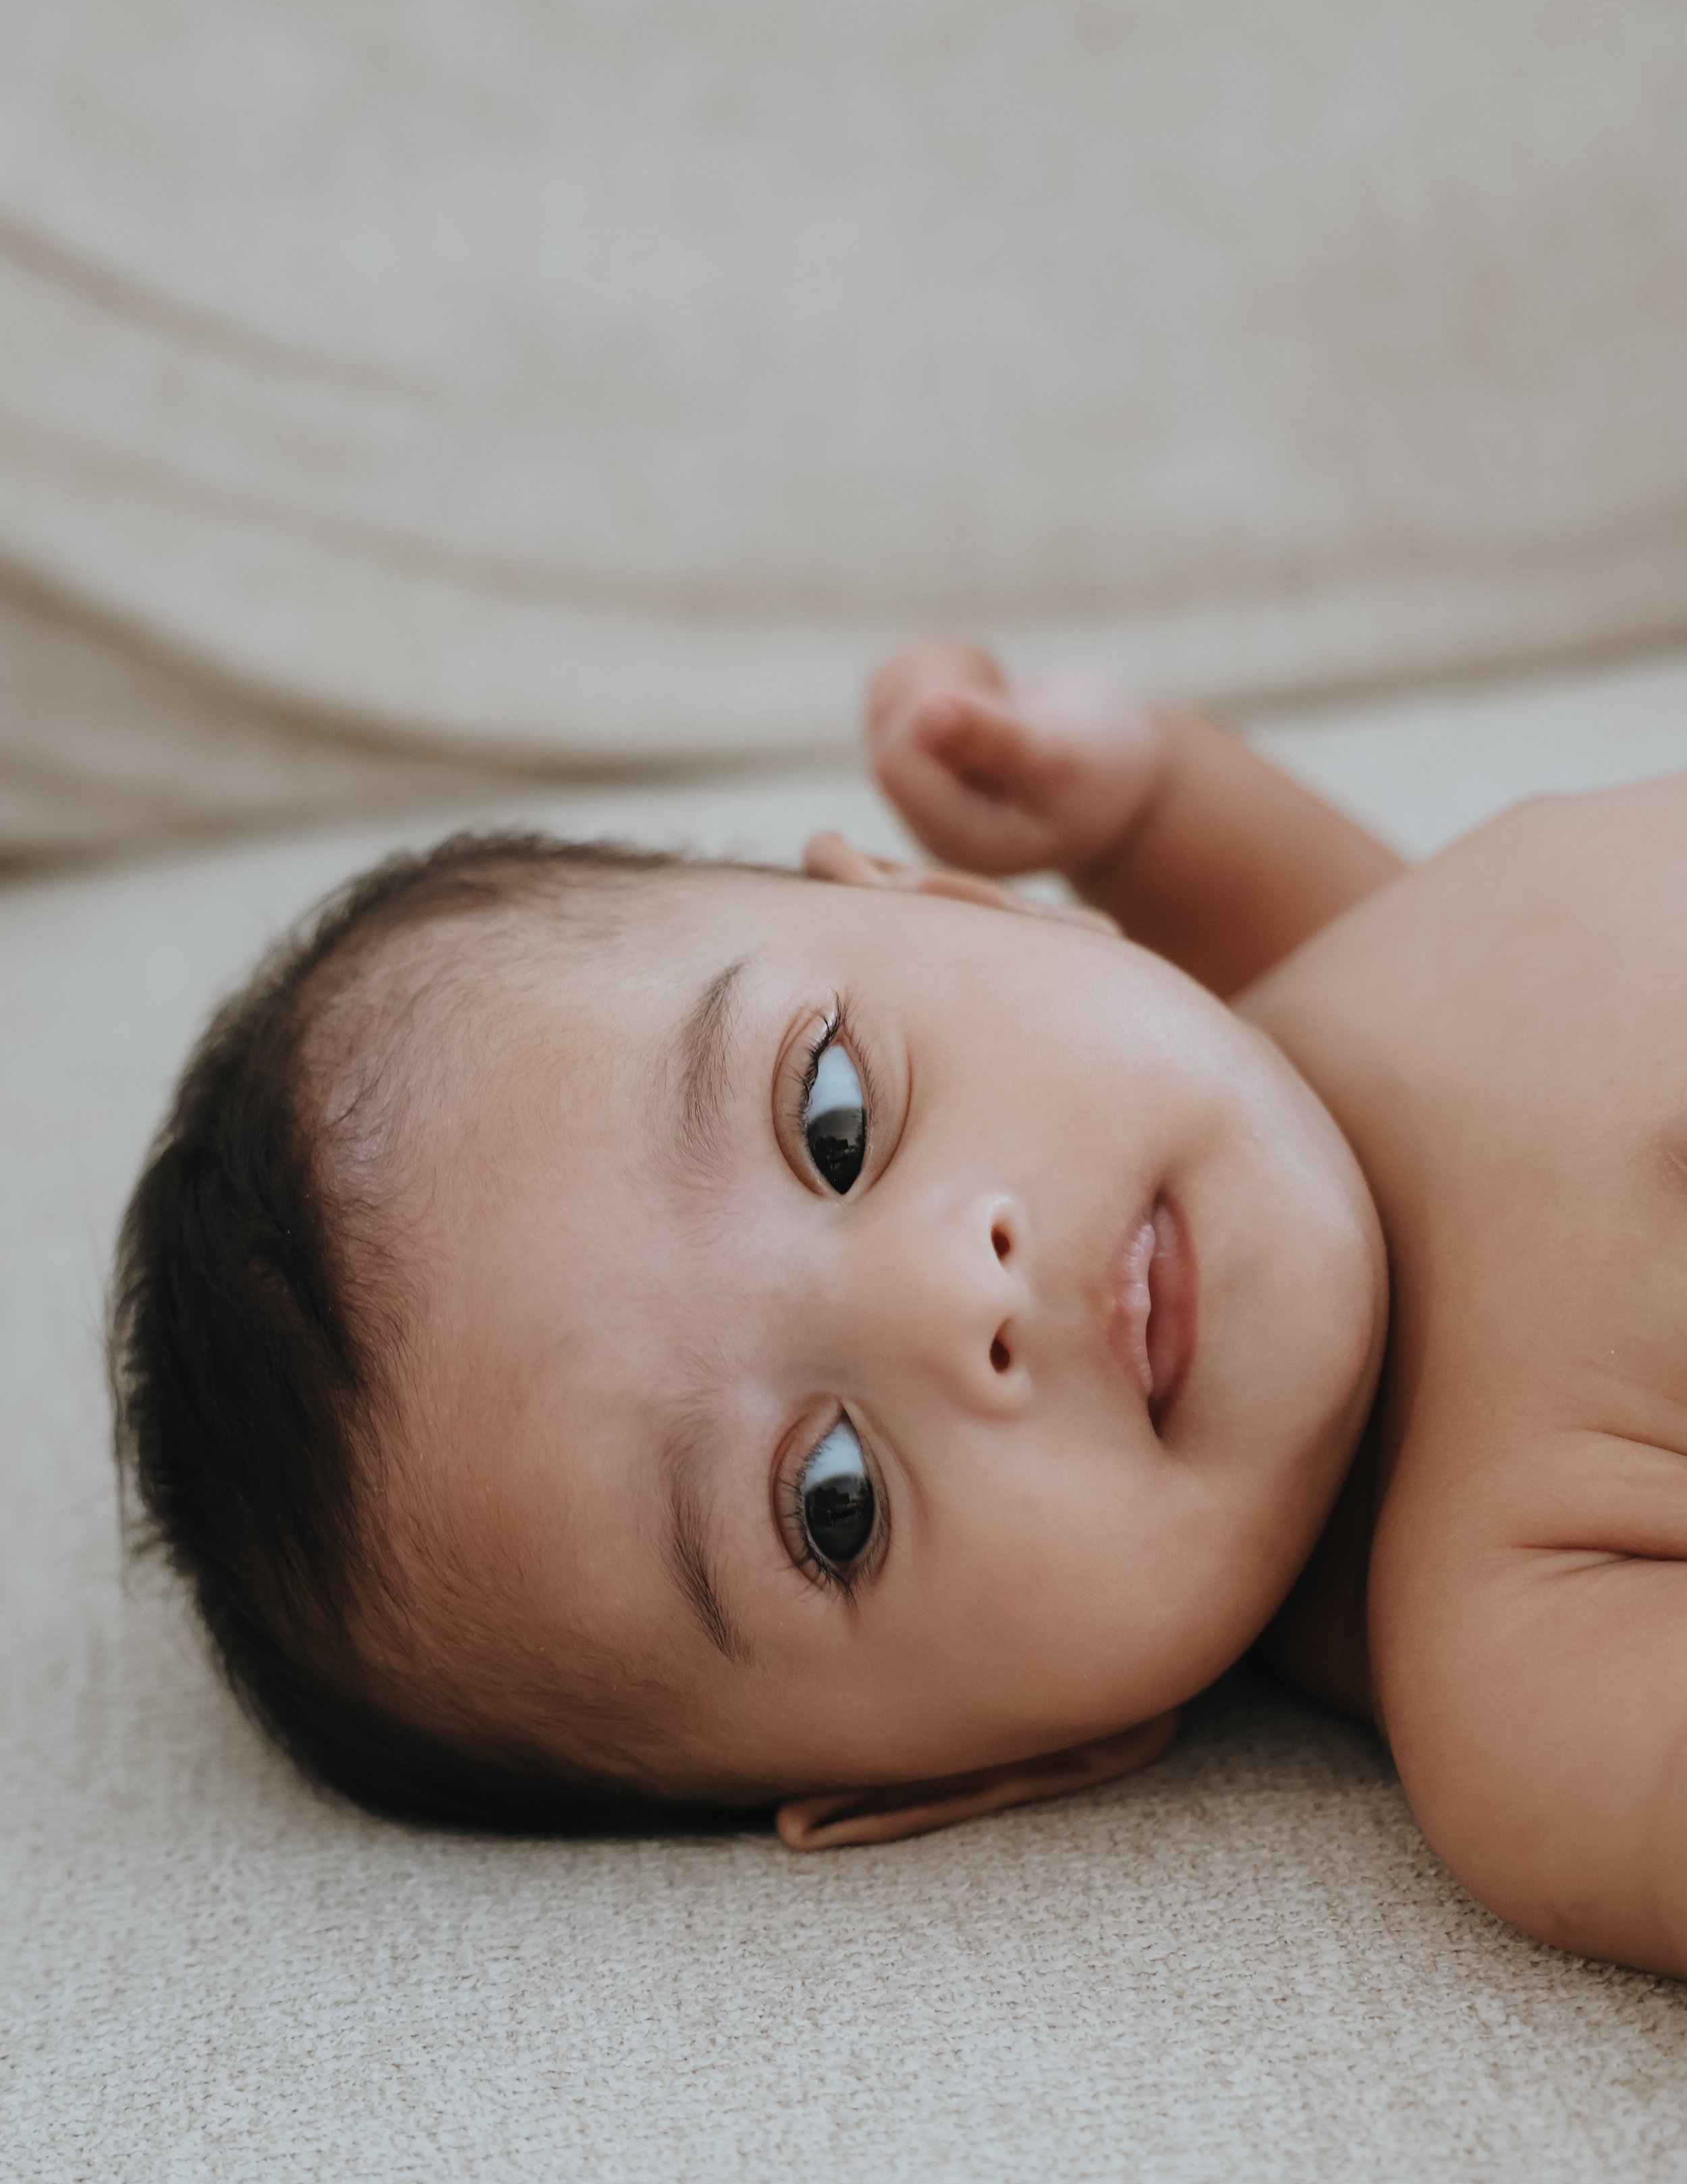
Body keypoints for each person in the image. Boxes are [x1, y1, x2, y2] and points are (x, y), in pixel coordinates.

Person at [111, 643, 1687, 1976]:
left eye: (835, 1119)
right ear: (995, 1764)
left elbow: (1332, 966)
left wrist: (1146, 805)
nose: (959, 1293)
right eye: (833, 1502)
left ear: (966, 903)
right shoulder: (1516, 1684)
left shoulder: (1296, 1024)